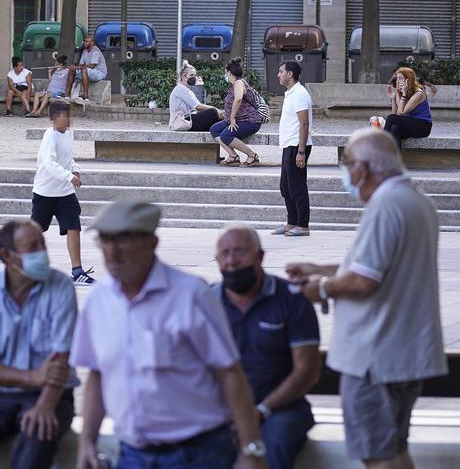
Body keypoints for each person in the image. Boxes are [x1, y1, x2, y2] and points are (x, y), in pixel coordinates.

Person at [287, 128, 447, 469]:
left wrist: (322, 288)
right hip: (402, 355)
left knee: (378, 457)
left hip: (374, 358)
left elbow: (363, 280)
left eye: (346, 163)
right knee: (395, 451)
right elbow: (378, 266)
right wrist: (321, 268)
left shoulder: (386, 206)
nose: (345, 172)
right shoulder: (416, 202)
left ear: (362, 167)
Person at [69, 201, 268, 469]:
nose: (111, 252)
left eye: (123, 241)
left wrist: (251, 450)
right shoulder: (99, 300)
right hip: (133, 453)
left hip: (198, 453)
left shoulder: (191, 294)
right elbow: (97, 374)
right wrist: (87, 443)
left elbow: (230, 373)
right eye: (104, 241)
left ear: (151, 242)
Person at [215, 225, 321, 469]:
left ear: (260, 256)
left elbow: (307, 371)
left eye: (240, 252)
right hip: (223, 409)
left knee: (272, 449)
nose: (231, 261)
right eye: (224, 254)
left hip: (280, 408)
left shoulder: (292, 299)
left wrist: (260, 410)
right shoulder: (208, 303)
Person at [0, 220, 78, 469]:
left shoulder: (60, 286)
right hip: (5, 394)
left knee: (37, 433)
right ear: (6, 256)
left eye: (42, 245)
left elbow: (60, 360)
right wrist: (33, 377)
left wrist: (45, 406)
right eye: (31, 248)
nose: (41, 253)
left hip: (52, 395)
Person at [31, 101, 95, 286]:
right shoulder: (49, 136)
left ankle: (78, 271)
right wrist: (68, 176)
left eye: (68, 116)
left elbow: (67, 156)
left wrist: (75, 169)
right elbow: (49, 162)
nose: (67, 120)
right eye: (63, 116)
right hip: (45, 192)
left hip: (65, 193)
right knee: (35, 231)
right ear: (53, 119)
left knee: (73, 226)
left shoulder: (69, 133)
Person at [271, 61, 314, 237]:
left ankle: (303, 225)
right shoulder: (290, 93)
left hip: (298, 145)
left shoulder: (299, 94)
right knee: (286, 187)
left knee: (297, 186)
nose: (278, 74)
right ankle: (291, 222)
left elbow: (304, 124)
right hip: (288, 144)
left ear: (290, 74)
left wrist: (301, 151)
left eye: (281, 71)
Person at [210, 58, 262, 167]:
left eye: (225, 72)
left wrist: (232, 118)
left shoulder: (239, 83)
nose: (225, 75)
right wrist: (227, 112)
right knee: (215, 129)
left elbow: (238, 99)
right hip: (236, 120)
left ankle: (252, 155)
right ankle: (233, 156)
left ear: (229, 72)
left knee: (226, 136)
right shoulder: (233, 85)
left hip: (249, 121)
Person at [383, 67, 433, 149]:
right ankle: (395, 159)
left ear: (408, 80)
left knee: (391, 118)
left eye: (400, 78)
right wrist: (393, 97)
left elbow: (401, 113)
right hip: (410, 124)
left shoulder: (419, 93)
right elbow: (396, 113)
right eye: (397, 78)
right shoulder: (401, 91)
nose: (397, 81)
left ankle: (379, 144)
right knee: (395, 128)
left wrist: (403, 94)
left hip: (423, 126)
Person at [168, 60, 223, 132]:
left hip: (188, 120)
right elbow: (198, 106)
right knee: (213, 112)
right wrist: (216, 110)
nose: (194, 77)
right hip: (183, 122)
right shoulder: (180, 88)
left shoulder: (186, 89)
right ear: (183, 77)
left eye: (195, 75)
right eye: (191, 75)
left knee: (217, 121)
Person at [65, 35, 107, 100]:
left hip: (99, 73)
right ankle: (67, 95)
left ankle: (85, 95)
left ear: (92, 43)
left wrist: (78, 67)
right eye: (85, 41)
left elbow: (92, 66)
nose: (85, 43)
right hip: (88, 72)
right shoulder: (85, 51)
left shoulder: (96, 51)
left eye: (87, 42)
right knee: (71, 70)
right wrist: (75, 67)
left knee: (84, 70)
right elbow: (81, 65)